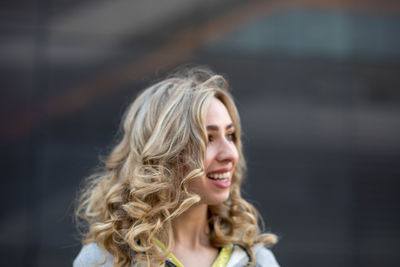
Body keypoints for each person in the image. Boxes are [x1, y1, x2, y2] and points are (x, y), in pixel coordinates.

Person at [73, 67, 279, 267]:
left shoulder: (255, 259)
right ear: (163, 152)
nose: (230, 154)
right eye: (208, 139)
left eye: (230, 135)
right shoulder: (105, 259)